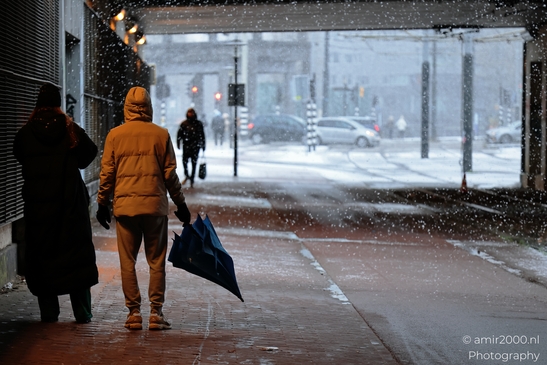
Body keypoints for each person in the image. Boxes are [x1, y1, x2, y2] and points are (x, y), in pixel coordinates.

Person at [96, 86, 191, 330]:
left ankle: (134, 313)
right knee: (156, 261)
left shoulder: (115, 135)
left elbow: (107, 173)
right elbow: (170, 174)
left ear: (127, 108)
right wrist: (180, 203)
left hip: (126, 208)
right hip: (154, 209)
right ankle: (156, 313)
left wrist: (102, 202)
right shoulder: (161, 135)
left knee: (127, 261)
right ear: (148, 107)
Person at [12, 83, 99, 324]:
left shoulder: (27, 133)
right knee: (76, 257)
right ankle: (83, 312)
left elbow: (18, 154)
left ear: (38, 105)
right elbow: (89, 154)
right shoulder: (70, 128)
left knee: (43, 257)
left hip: (40, 208)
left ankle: (49, 313)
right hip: (70, 204)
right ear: (59, 103)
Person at [176, 108, 206, 187]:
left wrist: (203, 145)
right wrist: (178, 143)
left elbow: (202, 136)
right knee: (185, 161)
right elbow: (179, 134)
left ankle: (191, 178)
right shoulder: (184, 124)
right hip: (187, 146)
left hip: (195, 147)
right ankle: (187, 175)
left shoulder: (198, 124)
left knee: (194, 163)